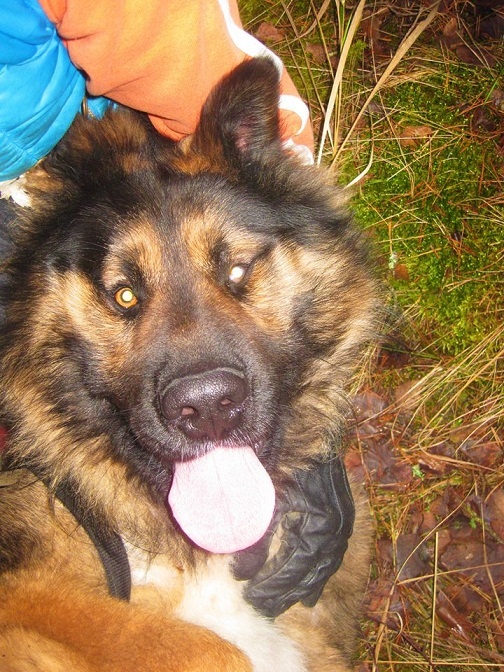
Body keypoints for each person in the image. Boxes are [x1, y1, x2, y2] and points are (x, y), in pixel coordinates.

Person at [0, 0, 355, 619]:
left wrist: (312, 422)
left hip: (47, 157)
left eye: (237, 273)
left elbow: (186, 42)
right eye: (126, 298)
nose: (201, 384)